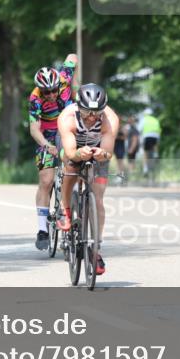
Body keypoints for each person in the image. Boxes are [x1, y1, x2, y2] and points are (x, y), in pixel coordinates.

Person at [57, 84, 119, 276]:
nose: (92, 117)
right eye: (87, 112)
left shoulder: (110, 119)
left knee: (98, 200)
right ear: (78, 107)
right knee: (70, 168)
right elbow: (69, 152)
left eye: (96, 112)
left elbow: (108, 152)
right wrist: (78, 154)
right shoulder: (67, 118)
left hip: (98, 150)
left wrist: (102, 153)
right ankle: (65, 208)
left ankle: (96, 250)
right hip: (74, 148)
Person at [28, 54, 77, 251]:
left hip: (67, 127)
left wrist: (71, 61)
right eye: (46, 91)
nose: (50, 94)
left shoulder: (65, 78)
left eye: (53, 90)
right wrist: (46, 146)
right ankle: (42, 230)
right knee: (46, 180)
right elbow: (34, 129)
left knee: (73, 164)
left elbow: (72, 57)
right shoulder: (35, 98)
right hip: (46, 134)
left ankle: (74, 206)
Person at [139, 108, 161, 175]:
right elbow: (159, 129)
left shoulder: (144, 119)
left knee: (145, 151)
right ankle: (156, 154)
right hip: (156, 136)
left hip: (147, 136)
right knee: (155, 144)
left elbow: (139, 129)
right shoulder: (155, 120)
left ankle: (145, 169)